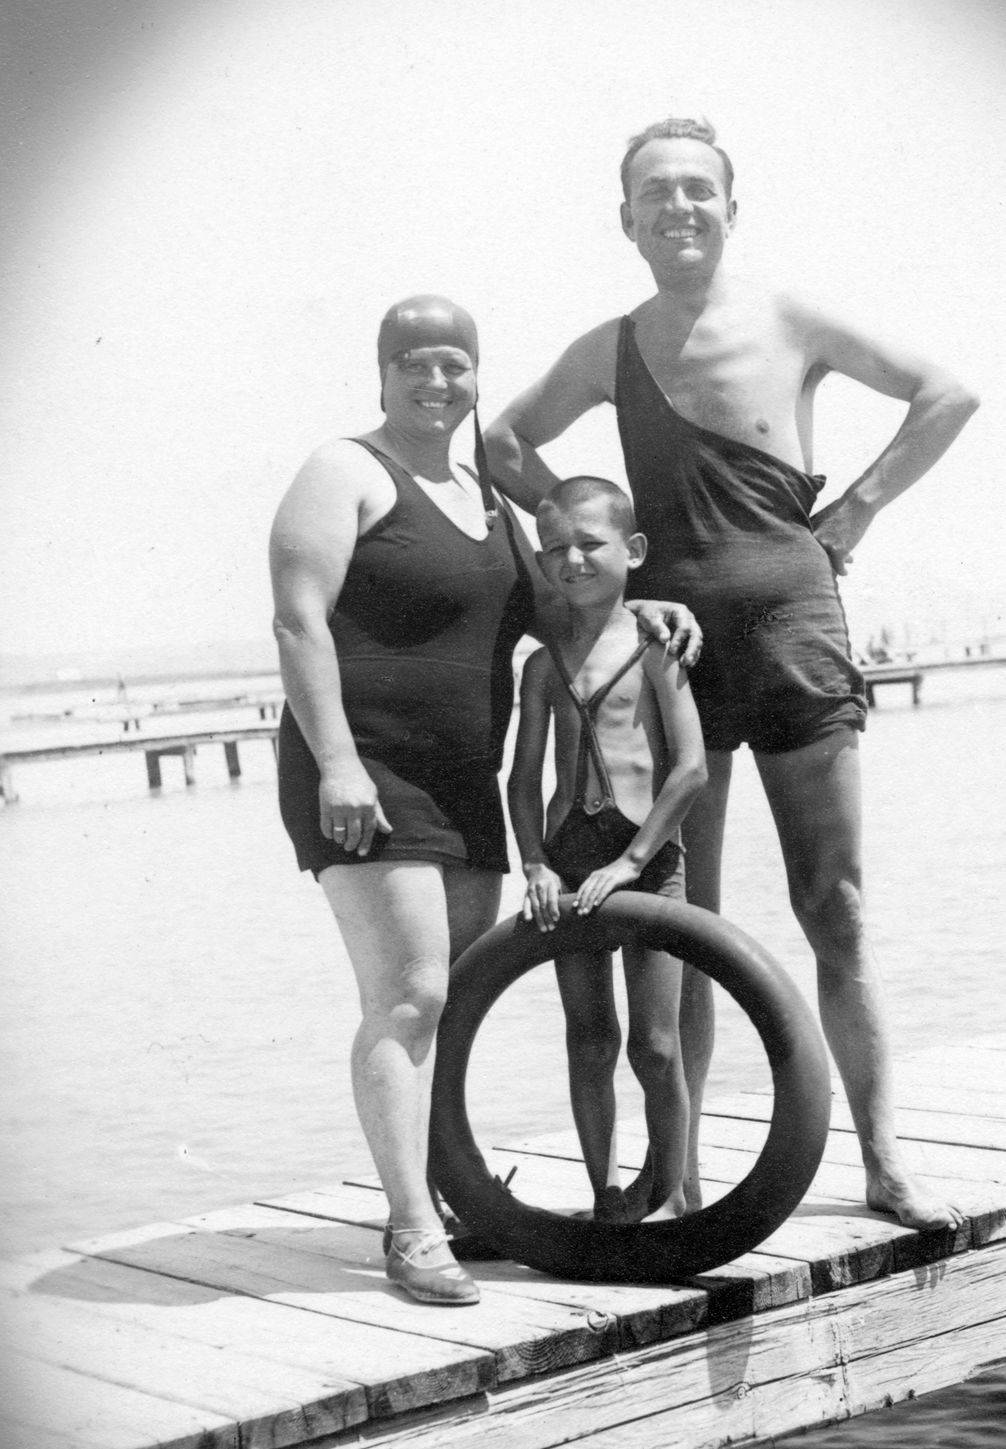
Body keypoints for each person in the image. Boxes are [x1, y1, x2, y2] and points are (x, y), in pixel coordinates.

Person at [487, 119, 980, 1232]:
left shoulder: (791, 317)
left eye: (697, 189)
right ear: (626, 219)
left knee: (835, 907)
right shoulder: (609, 348)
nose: (678, 207)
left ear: (729, 205)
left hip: (797, 632)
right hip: (675, 660)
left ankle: (885, 1160)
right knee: (685, 921)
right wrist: (597, 546)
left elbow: (943, 392)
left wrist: (853, 508)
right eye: (654, 193)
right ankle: (685, 1176)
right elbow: (504, 445)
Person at [270, 295, 699, 1305]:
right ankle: (416, 1229)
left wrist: (649, 605)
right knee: (411, 994)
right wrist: (336, 762)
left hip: (466, 777)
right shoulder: (344, 470)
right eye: (414, 363)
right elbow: (297, 621)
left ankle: (442, 1193)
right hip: (367, 769)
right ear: (381, 373)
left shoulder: (484, 497)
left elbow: (565, 603)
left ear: (475, 376)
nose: (437, 381)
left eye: (455, 364)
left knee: (447, 999)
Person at [508, 477, 707, 1224]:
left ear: (633, 550)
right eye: (555, 548)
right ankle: (605, 1198)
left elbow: (690, 769)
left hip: (646, 856)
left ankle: (676, 1197)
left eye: (590, 544)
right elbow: (523, 779)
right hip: (568, 853)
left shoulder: (658, 647)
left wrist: (630, 863)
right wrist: (533, 861)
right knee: (589, 1037)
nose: (573, 560)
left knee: (655, 1046)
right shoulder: (541, 666)